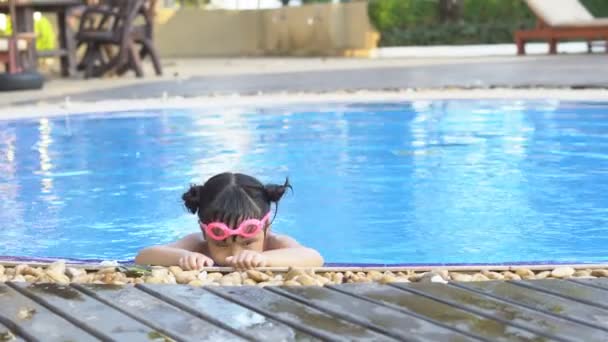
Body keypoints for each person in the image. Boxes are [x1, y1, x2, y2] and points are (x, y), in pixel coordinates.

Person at [135, 172, 323, 270]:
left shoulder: (275, 244)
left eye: (248, 242)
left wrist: (263, 259)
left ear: (266, 227)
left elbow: (314, 257)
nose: (234, 254)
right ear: (205, 232)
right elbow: (143, 257)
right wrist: (183, 257)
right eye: (221, 244)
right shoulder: (197, 245)